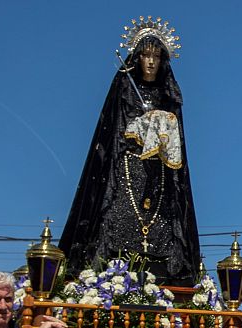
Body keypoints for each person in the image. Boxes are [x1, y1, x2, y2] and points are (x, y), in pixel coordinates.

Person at [59, 21, 201, 286]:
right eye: (146, 55)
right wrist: (139, 125)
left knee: (162, 228)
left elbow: (175, 138)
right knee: (117, 221)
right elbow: (114, 129)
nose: (150, 62)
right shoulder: (124, 88)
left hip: (159, 174)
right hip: (126, 169)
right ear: (137, 57)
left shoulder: (167, 95)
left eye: (156, 56)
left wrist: (163, 122)